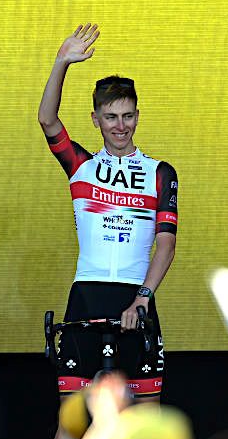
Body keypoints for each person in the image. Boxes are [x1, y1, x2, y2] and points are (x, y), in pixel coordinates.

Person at [37, 25, 177, 404]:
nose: (121, 125)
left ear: (137, 116)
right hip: (87, 295)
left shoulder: (159, 172)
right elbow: (47, 120)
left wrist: (143, 297)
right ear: (95, 119)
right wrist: (61, 62)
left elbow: (166, 244)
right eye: (111, 117)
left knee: (144, 423)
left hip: (137, 298)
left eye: (128, 116)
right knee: (71, 422)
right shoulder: (81, 165)